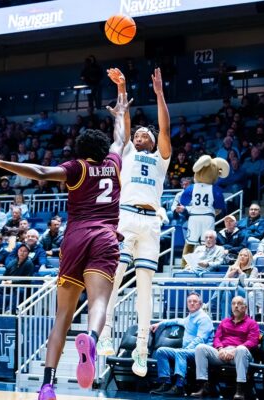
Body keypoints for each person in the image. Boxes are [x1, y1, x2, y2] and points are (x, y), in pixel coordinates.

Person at [0, 68, 129, 399]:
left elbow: (42, 171)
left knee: (62, 314)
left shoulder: (77, 167)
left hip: (75, 238)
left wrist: (2, 163)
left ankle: (47, 385)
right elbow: (121, 137)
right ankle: (91, 338)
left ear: (80, 149)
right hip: (105, 237)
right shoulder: (114, 164)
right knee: (99, 302)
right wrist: (121, 97)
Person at [98, 68, 171, 378]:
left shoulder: (161, 159)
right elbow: (124, 122)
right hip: (126, 216)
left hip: (151, 222)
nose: (139, 136)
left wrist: (159, 94)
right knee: (115, 275)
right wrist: (122, 87)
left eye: (145, 135)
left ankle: (142, 348)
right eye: (137, 134)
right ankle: (105, 332)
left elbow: (165, 129)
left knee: (145, 287)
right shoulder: (126, 151)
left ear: (152, 142)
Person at [193, 296, 260, 399]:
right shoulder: (224, 322)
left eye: (239, 304)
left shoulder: (252, 323)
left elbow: (253, 341)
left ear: (245, 308)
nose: (236, 306)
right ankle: (203, 386)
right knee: (200, 348)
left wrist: (235, 350)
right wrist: (220, 349)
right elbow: (217, 338)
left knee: (241, 349)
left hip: (239, 354)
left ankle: (240, 390)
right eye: (233, 304)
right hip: (223, 353)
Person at [149, 292, 214, 396]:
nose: (192, 303)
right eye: (189, 301)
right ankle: (166, 383)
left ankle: (179, 386)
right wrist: (159, 324)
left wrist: (186, 349)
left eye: (195, 301)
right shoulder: (189, 318)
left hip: (199, 353)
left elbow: (200, 339)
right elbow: (176, 321)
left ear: (200, 304)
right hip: (186, 351)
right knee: (161, 351)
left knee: (181, 353)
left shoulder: (203, 318)